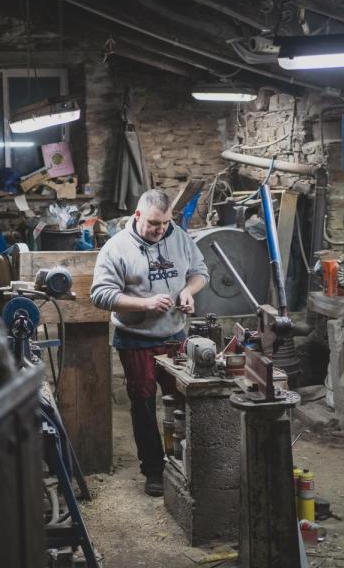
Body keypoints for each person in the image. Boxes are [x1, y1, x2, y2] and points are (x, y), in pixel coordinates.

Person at [90, 189, 209, 496]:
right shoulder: (116, 248)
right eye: (155, 223)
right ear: (138, 216)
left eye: (166, 223)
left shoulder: (178, 237)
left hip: (174, 335)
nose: (161, 230)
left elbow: (200, 272)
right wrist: (144, 304)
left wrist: (188, 292)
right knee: (143, 405)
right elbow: (100, 296)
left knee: (181, 401)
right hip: (136, 339)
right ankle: (153, 469)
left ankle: (182, 463)